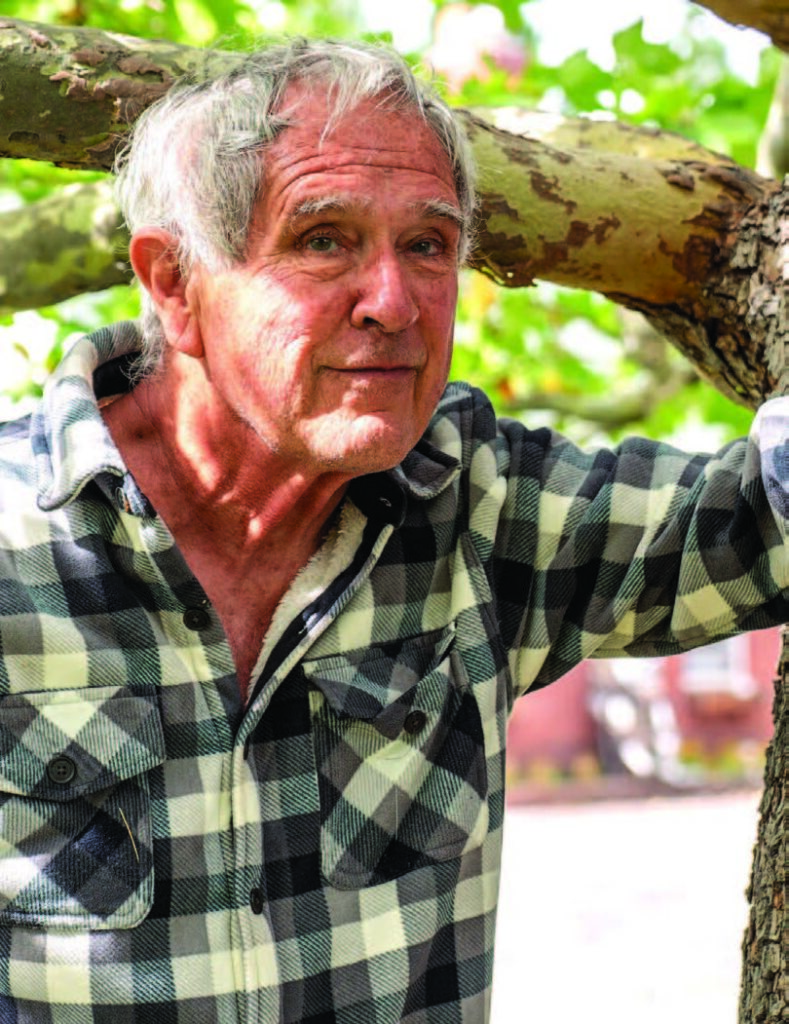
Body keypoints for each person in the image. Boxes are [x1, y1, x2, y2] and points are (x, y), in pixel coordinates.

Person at [0, 38, 787, 1023]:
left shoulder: (479, 507)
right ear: (174, 281)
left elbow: (762, 517)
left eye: (427, 245)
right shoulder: (14, 541)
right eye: (324, 239)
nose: (393, 302)